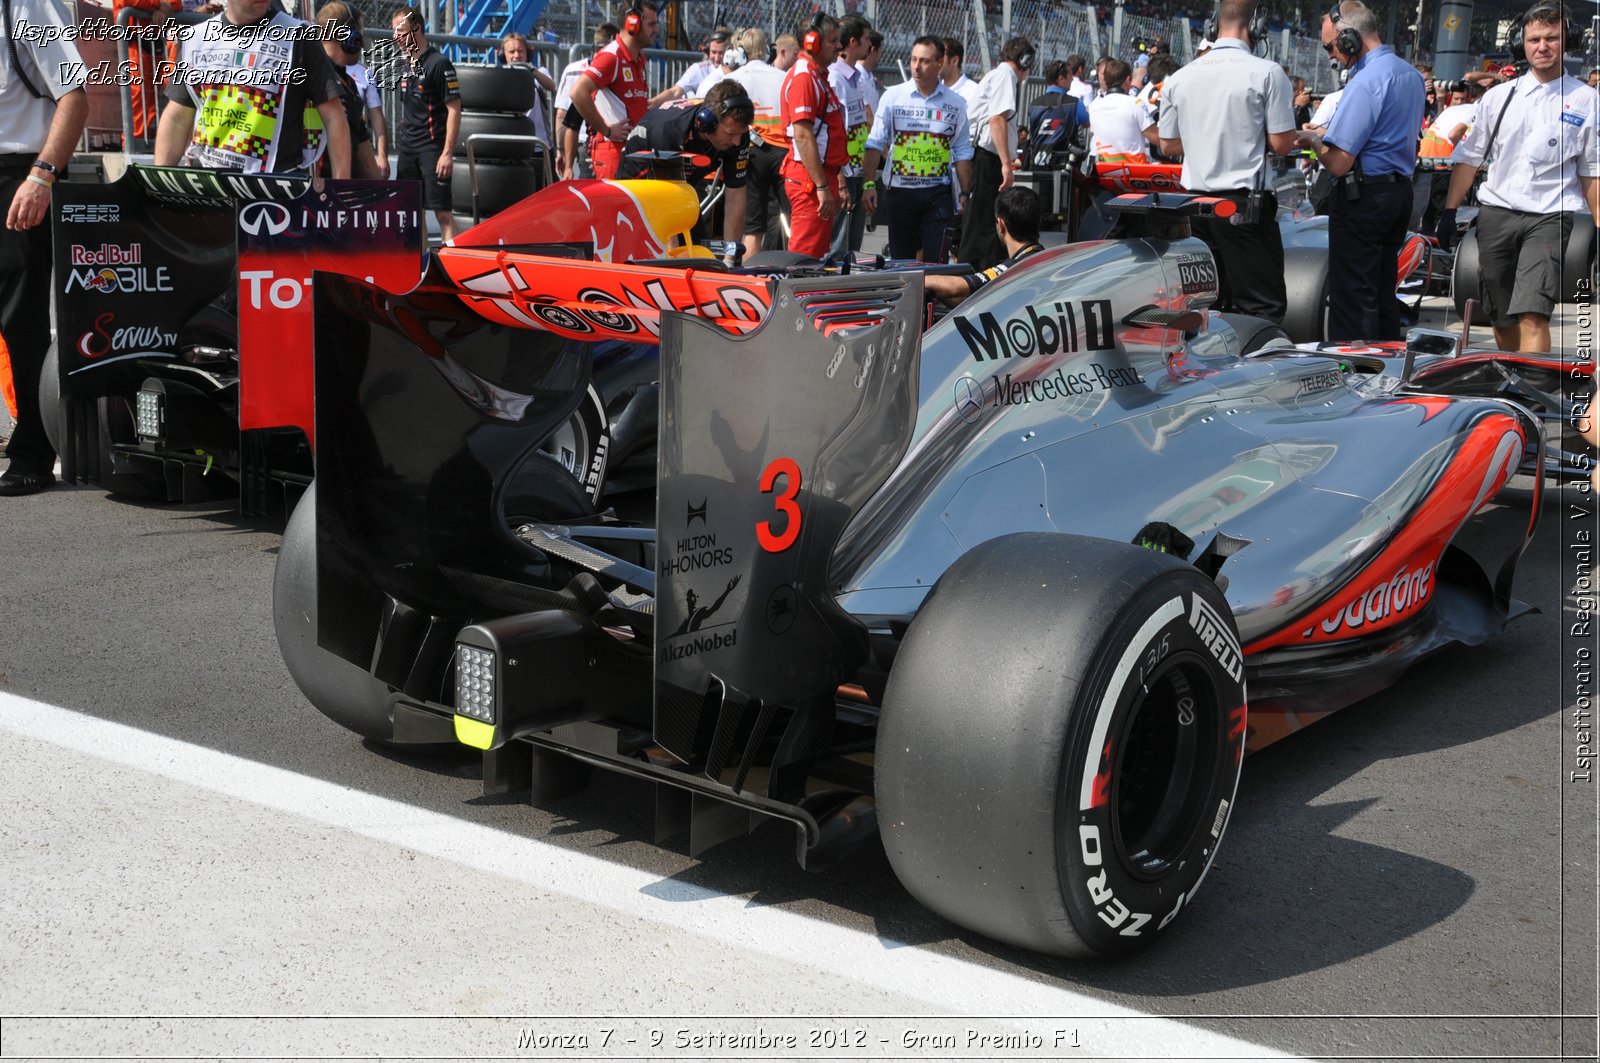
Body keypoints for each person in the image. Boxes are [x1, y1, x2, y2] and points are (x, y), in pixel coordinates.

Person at [1439, 2, 1598, 354]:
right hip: (1497, 214)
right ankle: (1513, 375)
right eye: (1534, 39)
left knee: (1533, 311)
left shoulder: (1587, 101)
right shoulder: (1498, 97)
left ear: (1566, 41)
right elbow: (1469, 159)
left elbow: (1591, 171)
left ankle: (1535, 392)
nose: (1542, 46)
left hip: (1550, 217)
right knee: (1500, 313)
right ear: (1522, 44)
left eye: (1552, 38)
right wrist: (1449, 212)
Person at [1159, 0, 1297, 319]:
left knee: (1210, 301)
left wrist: (1205, 136)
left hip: (1196, 205)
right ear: (1257, 27)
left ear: (1212, 26)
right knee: (1262, 305)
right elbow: (1282, 143)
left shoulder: (1181, 77)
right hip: (1242, 205)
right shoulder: (1267, 72)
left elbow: (1167, 145)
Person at [1296, 0, 1425, 341]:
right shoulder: (1409, 74)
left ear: (1348, 38)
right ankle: (1388, 376)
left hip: (1363, 197)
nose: (1330, 55)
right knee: (1382, 292)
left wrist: (1311, 138)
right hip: (1397, 193)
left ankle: (1358, 380)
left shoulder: (1366, 80)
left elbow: (1339, 162)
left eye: (1330, 46)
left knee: (1353, 299)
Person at [0, 0, 87, 496]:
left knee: (20, 321)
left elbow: (74, 95)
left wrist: (43, 175)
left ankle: (33, 452)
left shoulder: (27, 5)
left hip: (19, 174)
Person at [155, 0, 348, 177]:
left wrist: (340, 188)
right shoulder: (197, 39)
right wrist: (158, 185)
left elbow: (334, 116)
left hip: (276, 190)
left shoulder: (299, 37)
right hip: (210, 184)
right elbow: (177, 117)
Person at [861, 35, 973, 261]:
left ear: (939, 63)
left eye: (924, 61)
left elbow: (962, 151)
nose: (916, 67)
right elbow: (875, 142)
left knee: (936, 262)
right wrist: (869, 184)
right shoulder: (893, 96)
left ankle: (930, 296)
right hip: (901, 193)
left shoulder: (956, 103)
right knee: (901, 261)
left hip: (938, 194)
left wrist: (964, 192)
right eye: (913, 60)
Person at [618, 82, 753, 247]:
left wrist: (731, 258)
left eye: (740, 134)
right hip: (640, 186)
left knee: (701, 256)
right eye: (730, 134)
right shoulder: (670, 130)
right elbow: (665, 202)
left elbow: (736, 197)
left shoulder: (738, 136)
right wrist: (673, 263)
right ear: (707, 122)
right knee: (659, 252)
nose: (737, 141)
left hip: (680, 188)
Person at [959, 36, 1034, 270]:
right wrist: (1006, 163)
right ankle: (976, 275)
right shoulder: (1005, 76)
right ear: (1025, 61)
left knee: (984, 222)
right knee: (985, 225)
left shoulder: (999, 75)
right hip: (987, 159)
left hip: (983, 157)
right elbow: (997, 119)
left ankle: (976, 272)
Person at [780, 12, 848, 258]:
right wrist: (821, 186)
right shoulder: (804, 78)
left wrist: (835, 180)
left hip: (817, 175)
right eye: (832, 41)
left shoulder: (815, 75)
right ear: (812, 43)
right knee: (804, 259)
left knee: (817, 256)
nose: (839, 46)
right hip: (810, 179)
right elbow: (804, 136)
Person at [388, 7, 459, 240]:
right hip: (408, 150)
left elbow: (454, 109)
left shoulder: (439, 64)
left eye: (400, 31)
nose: (395, 37)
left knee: (443, 214)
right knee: (412, 214)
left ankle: (451, 267)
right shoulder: (402, 64)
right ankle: (421, 267)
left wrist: (447, 152)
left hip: (432, 149)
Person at [568, 2, 658, 180]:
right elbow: (577, 92)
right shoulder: (612, 56)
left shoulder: (638, 58)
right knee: (612, 208)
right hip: (613, 153)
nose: (656, 29)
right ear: (632, 24)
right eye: (651, 24)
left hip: (633, 151)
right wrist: (606, 130)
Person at [924, 186, 1045, 306]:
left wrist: (916, 279)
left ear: (1001, 225)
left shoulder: (1017, 267)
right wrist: (939, 293)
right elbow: (970, 300)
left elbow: (957, 286)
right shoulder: (1046, 259)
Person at [728, 27, 789, 255]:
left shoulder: (733, 78)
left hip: (750, 152)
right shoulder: (783, 78)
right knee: (792, 224)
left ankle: (748, 279)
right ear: (767, 50)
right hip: (783, 154)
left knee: (753, 227)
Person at [318, 4, 382, 178]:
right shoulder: (312, 75)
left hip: (344, 190)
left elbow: (362, 142)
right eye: (360, 34)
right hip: (318, 190)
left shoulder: (348, 83)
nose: (361, 42)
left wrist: (380, 195)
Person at [828, 14, 873, 257]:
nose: (870, 45)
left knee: (851, 249)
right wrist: (841, 179)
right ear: (853, 42)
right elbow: (835, 132)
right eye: (867, 39)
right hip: (843, 174)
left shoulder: (856, 78)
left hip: (855, 171)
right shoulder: (836, 78)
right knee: (836, 247)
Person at [555, 22, 616, 179]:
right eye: (600, 51)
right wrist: (563, 155)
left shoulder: (627, 73)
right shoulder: (582, 80)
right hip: (593, 149)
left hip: (621, 151)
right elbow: (567, 120)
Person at [1088, 58, 1158, 164]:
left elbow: (1093, 133)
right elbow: (1156, 138)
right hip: (1134, 174)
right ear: (1128, 80)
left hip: (1104, 172)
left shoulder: (1093, 106)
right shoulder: (1136, 104)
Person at [501, 31, 557, 149]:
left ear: (528, 53)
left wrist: (530, 69)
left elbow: (551, 86)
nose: (516, 56)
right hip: (511, 143)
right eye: (511, 52)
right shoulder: (499, 76)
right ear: (503, 55)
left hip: (539, 143)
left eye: (520, 51)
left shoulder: (539, 72)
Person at [651, 29, 728, 106]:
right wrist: (652, 102)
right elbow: (675, 92)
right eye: (713, 52)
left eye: (721, 53)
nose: (717, 57)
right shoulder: (699, 69)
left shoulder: (737, 71)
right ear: (708, 51)